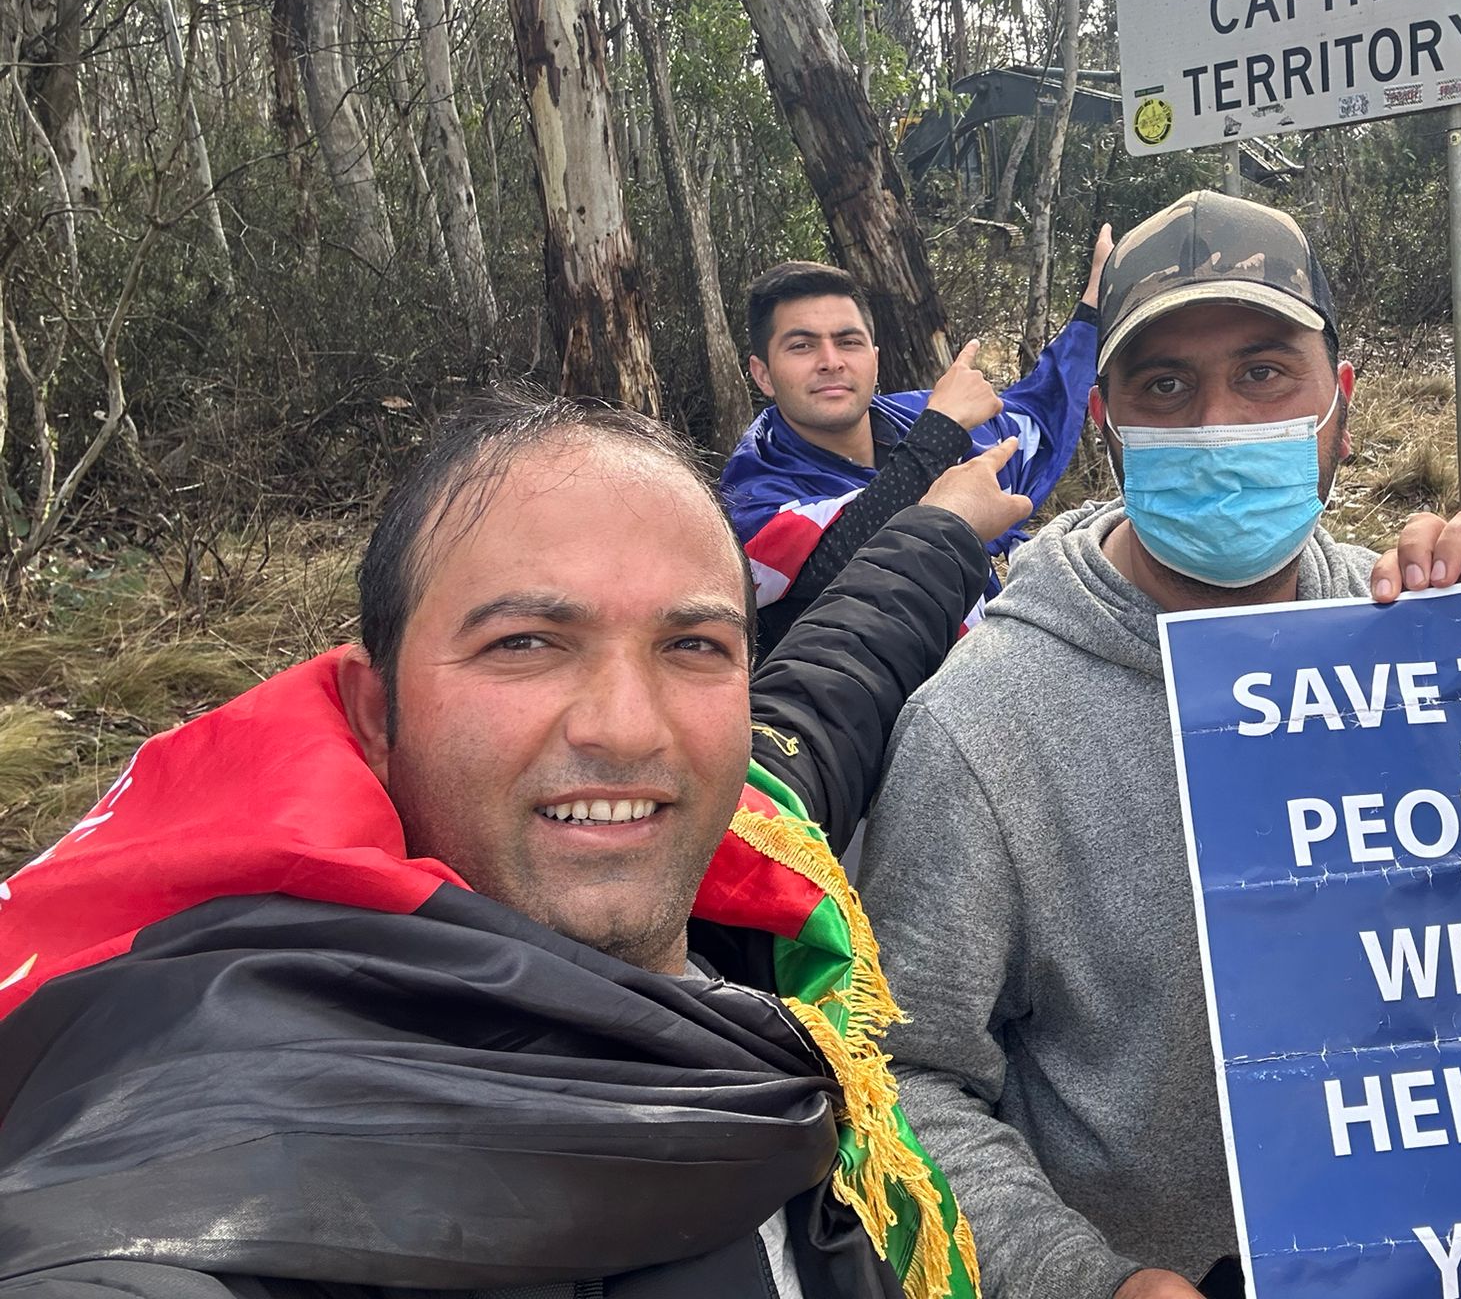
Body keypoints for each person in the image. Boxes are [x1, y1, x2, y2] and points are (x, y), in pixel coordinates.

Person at [855, 191, 1461, 1299]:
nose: (1217, 422)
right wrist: (1084, 1283)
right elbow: (899, 1080)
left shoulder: (1426, 645)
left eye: (1265, 371)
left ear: (1341, 403)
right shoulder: (983, 725)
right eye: (1165, 384)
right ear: (1102, 418)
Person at [0, 387, 1034, 1299]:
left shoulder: (749, 869)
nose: (628, 728)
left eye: (692, 646)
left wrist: (940, 528)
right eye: (526, 645)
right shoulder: (219, 1132)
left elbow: (835, 678)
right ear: (374, 712)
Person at [722, 237, 1106, 657]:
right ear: (762, 374)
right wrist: (940, 434)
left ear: (874, 359)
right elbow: (830, 565)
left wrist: (1092, 310)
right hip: (874, 708)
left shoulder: (915, 417)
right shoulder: (751, 488)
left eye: (848, 342)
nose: (831, 360)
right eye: (802, 346)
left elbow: (1038, 414)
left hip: (996, 670)